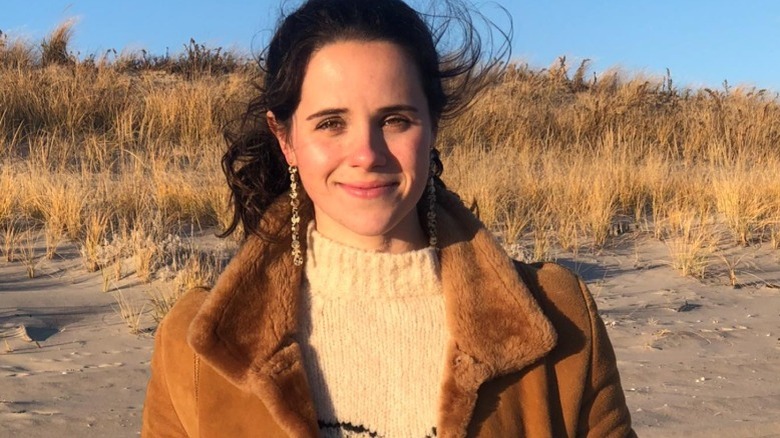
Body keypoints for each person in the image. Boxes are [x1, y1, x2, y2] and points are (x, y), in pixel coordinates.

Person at [141, 0, 636, 436]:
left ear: (432, 127)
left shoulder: (562, 317)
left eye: (395, 120)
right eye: (331, 123)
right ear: (286, 138)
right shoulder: (196, 345)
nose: (367, 153)